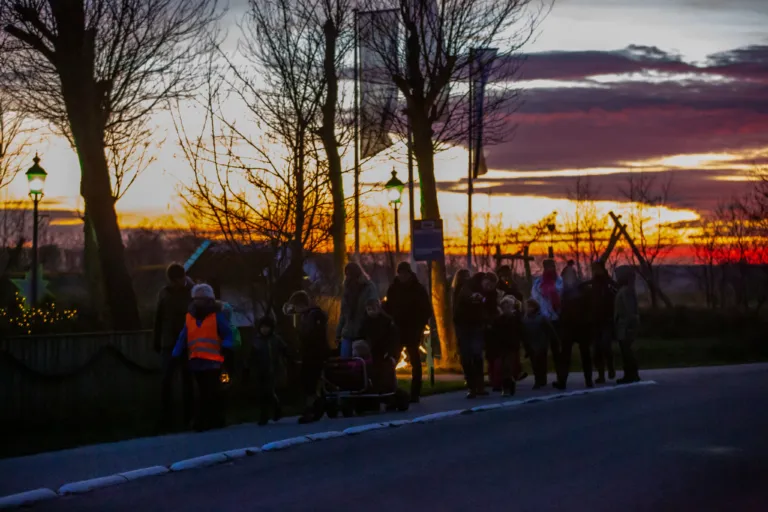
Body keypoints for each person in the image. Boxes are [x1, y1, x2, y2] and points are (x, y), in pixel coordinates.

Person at [172, 283, 233, 432]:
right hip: (196, 362)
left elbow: (227, 333)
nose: (198, 302)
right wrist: (175, 354)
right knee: (205, 391)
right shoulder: (190, 318)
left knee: (209, 390)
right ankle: (211, 419)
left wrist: (226, 347)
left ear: (209, 300)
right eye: (196, 299)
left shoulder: (217, 316)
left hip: (213, 362)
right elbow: (183, 337)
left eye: (202, 299)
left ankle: (205, 420)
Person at [153, 263, 194, 430]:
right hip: (169, 342)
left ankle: (188, 418)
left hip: (186, 342)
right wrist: (156, 339)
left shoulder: (192, 293)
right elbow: (158, 318)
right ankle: (166, 419)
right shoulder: (164, 293)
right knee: (166, 382)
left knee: (187, 381)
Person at [384, 262, 431, 402]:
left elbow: (425, 310)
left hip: (413, 329)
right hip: (397, 329)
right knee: (392, 360)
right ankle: (390, 389)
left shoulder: (418, 289)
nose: (402, 276)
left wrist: (420, 325)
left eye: (405, 273)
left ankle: (415, 393)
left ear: (409, 273)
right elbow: (388, 308)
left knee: (415, 361)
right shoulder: (393, 289)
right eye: (400, 273)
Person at [284, 291, 329, 424]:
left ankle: (313, 407)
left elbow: (312, 335)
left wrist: (301, 337)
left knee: (309, 381)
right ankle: (316, 405)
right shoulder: (307, 315)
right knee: (306, 381)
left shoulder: (313, 315)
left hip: (314, 353)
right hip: (309, 352)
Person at [454, 272, 497, 398]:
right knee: (466, 356)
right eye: (487, 284)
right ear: (484, 280)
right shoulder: (470, 284)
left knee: (477, 354)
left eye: (491, 286)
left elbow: (491, 307)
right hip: (463, 324)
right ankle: (472, 386)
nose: (488, 288)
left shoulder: (490, 294)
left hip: (477, 325)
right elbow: (465, 294)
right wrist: (473, 296)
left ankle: (480, 385)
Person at [553, 263, 593, 389]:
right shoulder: (564, 291)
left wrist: (587, 322)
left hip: (581, 325)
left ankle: (588, 380)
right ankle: (562, 381)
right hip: (568, 326)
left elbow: (588, 308)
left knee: (584, 354)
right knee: (565, 355)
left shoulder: (582, 289)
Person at [252, 316, 290, 426]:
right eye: (263, 327)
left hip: (273, 368)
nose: (265, 330)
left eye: (267, 327)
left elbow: (285, 350)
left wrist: (288, 358)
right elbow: (252, 355)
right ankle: (264, 415)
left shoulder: (275, 339)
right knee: (262, 393)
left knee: (269, 391)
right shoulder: (256, 340)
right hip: (260, 369)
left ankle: (275, 409)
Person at [336, 262, 378, 358]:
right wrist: (338, 333)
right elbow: (343, 314)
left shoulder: (367, 288)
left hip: (363, 332)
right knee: (345, 360)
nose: (349, 277)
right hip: (348, 332)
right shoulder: (347, 290)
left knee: (359, 362)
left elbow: (373, 308)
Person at [487, 295, 525, 396]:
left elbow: (521, 332)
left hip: (512, 346)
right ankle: (507, 385)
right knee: (501, 367)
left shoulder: (516, 319)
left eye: (509, 306)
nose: (506, 309)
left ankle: (507, 387)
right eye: (504, 307)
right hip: (501, 347)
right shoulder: (498, 320)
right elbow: (493, 334)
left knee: (508, 367)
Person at [586, 261, 617, 384]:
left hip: (606, 319)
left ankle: (610, 367)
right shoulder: (592, 284)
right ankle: (601, 374)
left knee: (605, 346)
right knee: (596, 349)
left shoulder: (608, 284)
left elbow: (614, 295)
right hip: (595, 320)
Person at [531, 259, 563, 373]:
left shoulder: (559, 281)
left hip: (556, 319)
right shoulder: (538, 283)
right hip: (542, 320)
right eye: (548, 267)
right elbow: (534, 298)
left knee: (557, 349)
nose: (550, 269)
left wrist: (552, 290)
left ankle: (560, 375)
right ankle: (541, 377)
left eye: (552, 267)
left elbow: (561, 293)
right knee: (541, 350)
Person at [614, 266, 641, 384]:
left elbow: (630, 310)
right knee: (625, 350)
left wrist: (630, 326)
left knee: (627, 350)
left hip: (626, 325)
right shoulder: (626, 289)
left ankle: (631, 374)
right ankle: (630, 374)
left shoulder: (626, 291)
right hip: (624, 325)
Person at [522, 298, 557, 389]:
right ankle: (538, 380)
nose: (528, 309)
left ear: (534, 307)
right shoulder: (525, 319)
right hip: (531, 344)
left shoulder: (541, 318)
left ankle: (541, 380)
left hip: (541, 343)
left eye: (530, 307)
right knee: (534, 364)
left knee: (541, 362)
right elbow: (524, 333)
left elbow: (550, 330)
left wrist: (553, 340)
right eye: (527, 307)